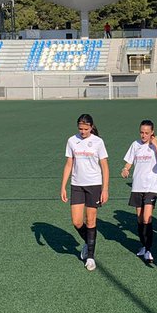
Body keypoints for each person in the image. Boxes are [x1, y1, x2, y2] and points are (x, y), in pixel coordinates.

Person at [60, 113, 109, 271]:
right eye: (80, 129)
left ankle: (90, 257)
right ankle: (88, 243)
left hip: (94, 185)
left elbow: (105, 167)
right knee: (77, 221)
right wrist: (63, 186)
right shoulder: (72, 141)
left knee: (91, 221)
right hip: (77, 185)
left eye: (86, 129)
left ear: (91, 127)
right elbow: (69, 164)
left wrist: (105, 189)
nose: (82, 132)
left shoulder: (98, 142)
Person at [121, 119, 157, 266]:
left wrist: (156, 145)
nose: (143, 135)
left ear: (152, 132)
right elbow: (129, 161)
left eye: (147, 133)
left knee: (147, 218)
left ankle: (148, 249)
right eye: (142, 132)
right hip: (137, 187)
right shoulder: (135, 145)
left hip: (151, 188)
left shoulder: (156, 146)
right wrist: (126, 169)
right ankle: (143, 245)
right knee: (140, 219)